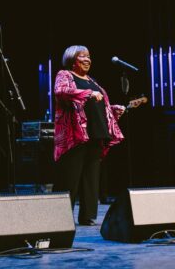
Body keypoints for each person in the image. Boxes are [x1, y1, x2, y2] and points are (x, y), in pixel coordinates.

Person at [53, 45, 125, 225]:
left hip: (96, 133)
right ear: (72, 60)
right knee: (69, 177)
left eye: (89, 56)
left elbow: (98, 107)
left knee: (91, 178)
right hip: (75, 135)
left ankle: (87, 216)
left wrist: (114, 109)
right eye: (82, 56)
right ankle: (60, 217)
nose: (87, 59)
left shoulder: (93, 82)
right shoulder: (65, 75)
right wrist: (89, 93)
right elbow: (61, 91)